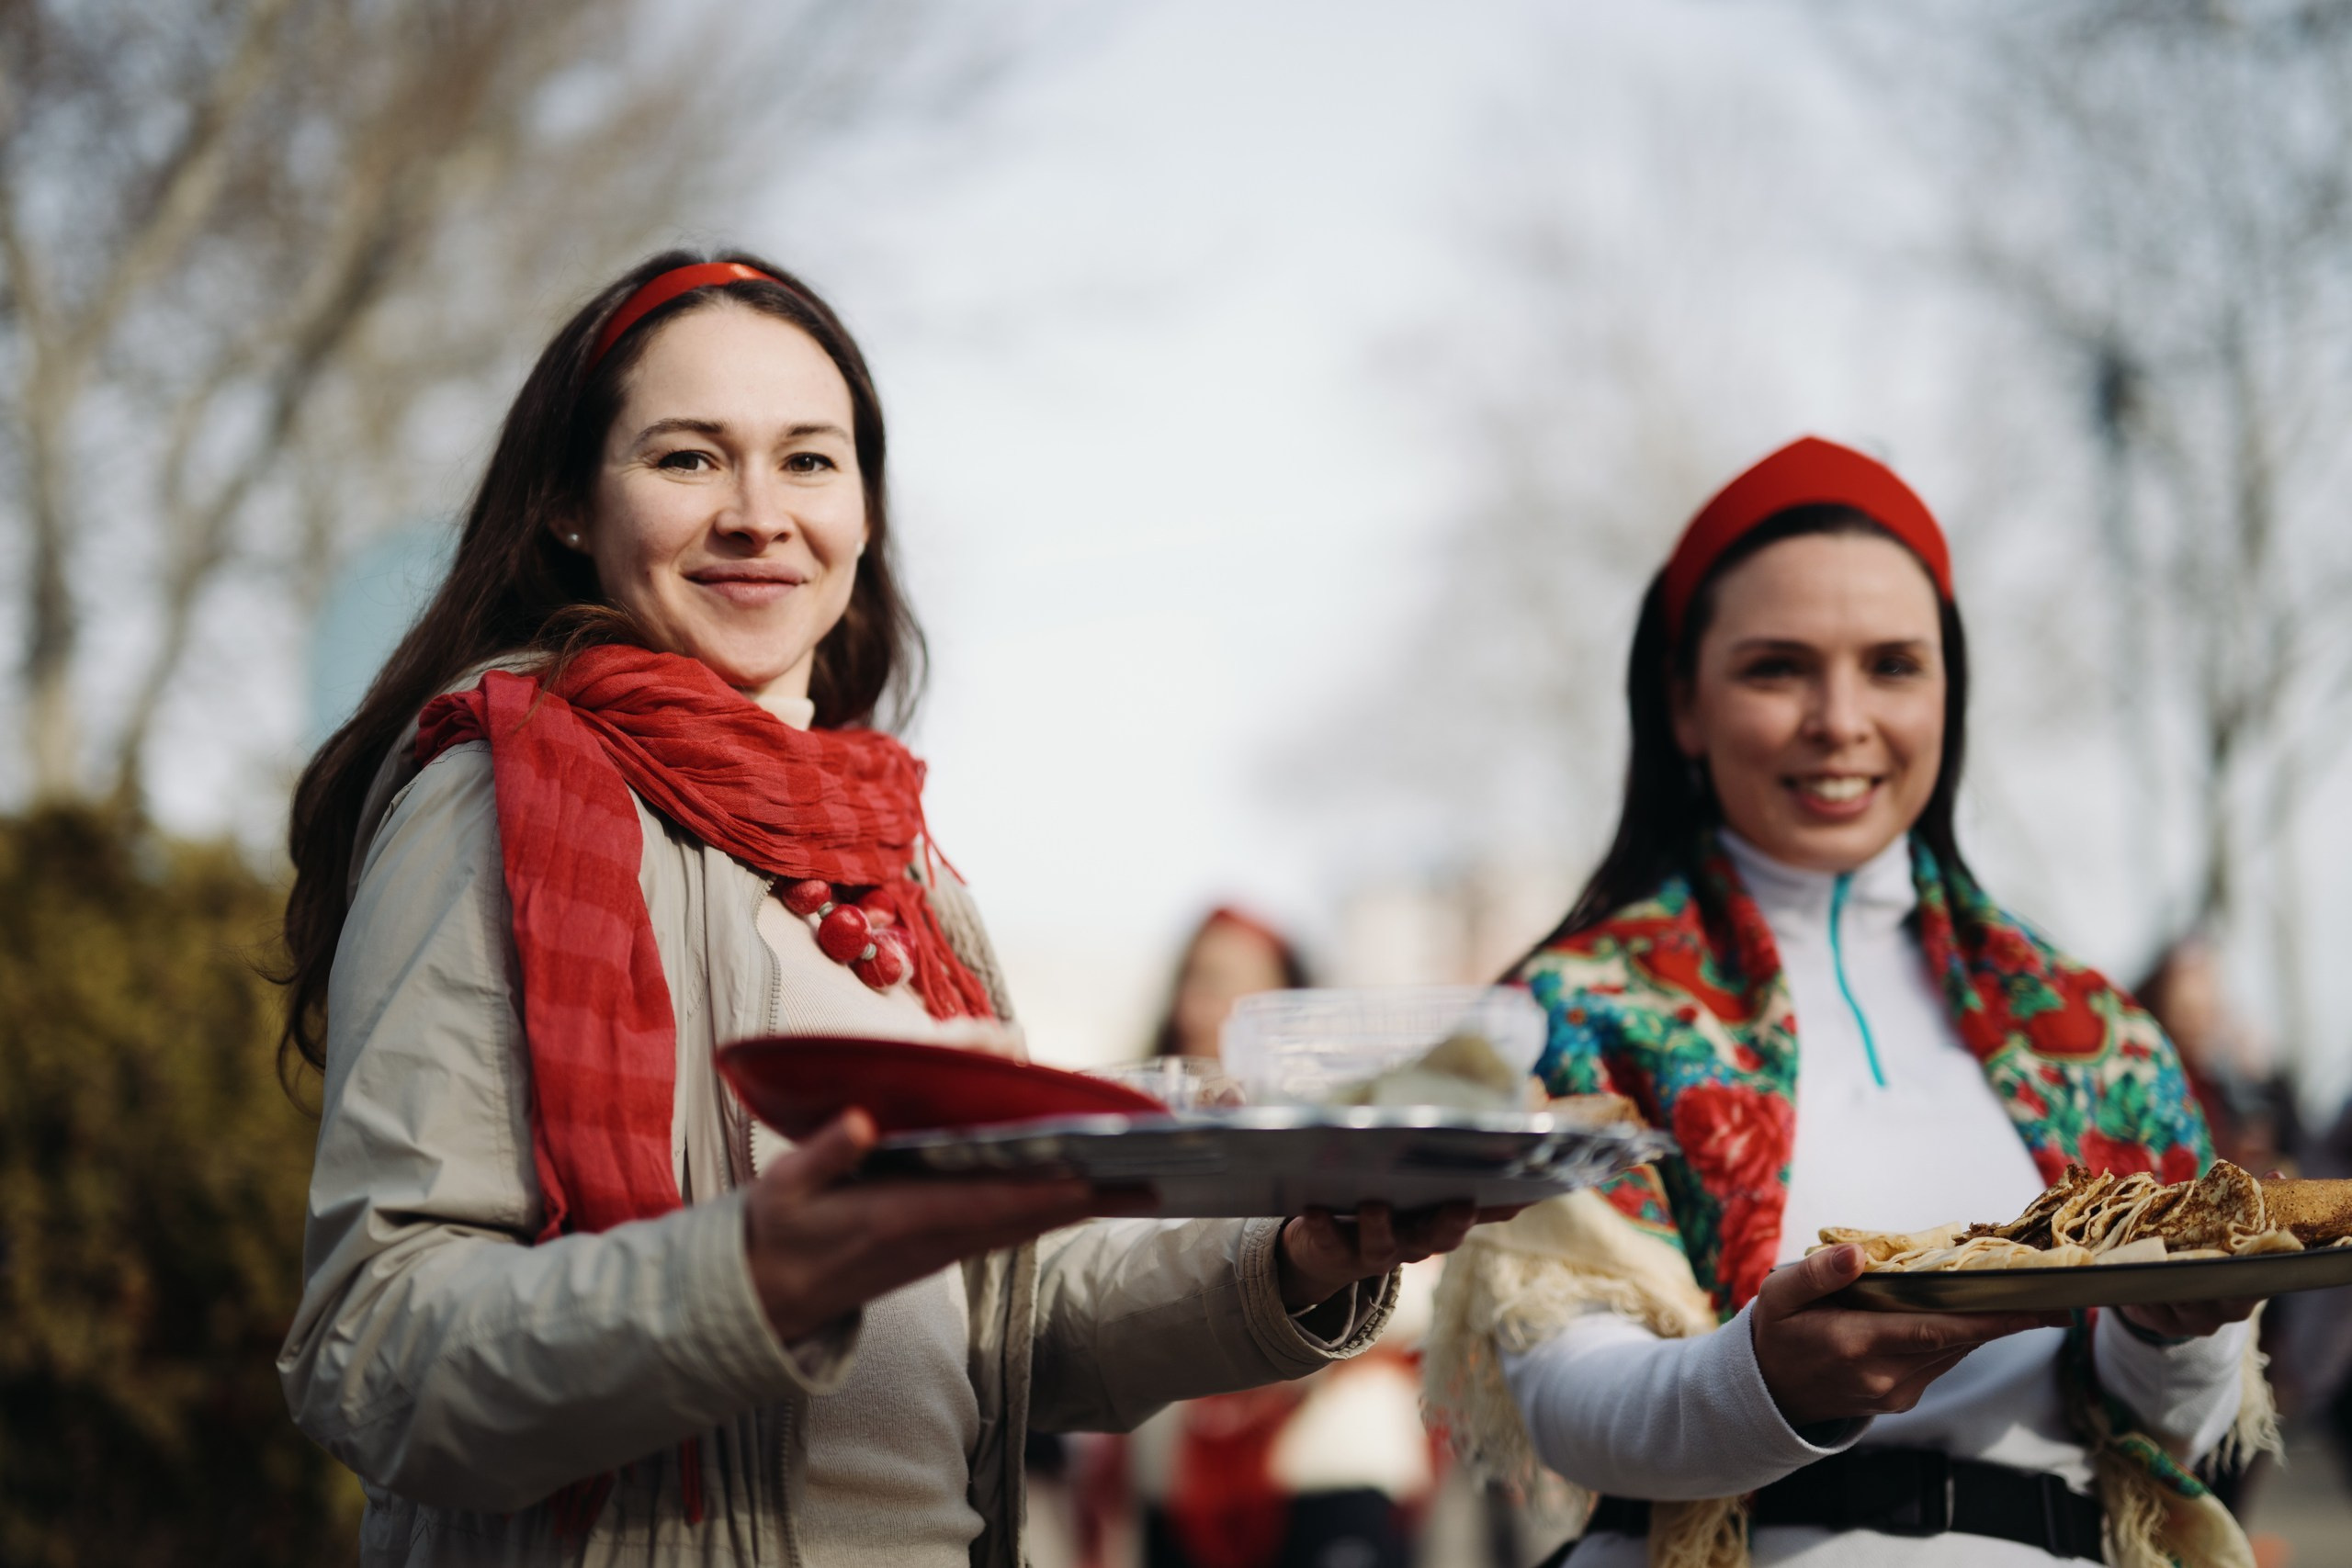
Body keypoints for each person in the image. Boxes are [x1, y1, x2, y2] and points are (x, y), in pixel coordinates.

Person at [272, 252, 1478, 1567]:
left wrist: (1296, 1256)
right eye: (687, 459)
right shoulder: (490, 797)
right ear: (567, 500)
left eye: (808, 460)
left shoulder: (898, 865)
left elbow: (994, 1332)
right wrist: (755, 1276)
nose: (756, 513)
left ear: (863, 506)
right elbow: (372, 1346)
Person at [1427, 437, 2272, 1568]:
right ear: (1683, 703)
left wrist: (2173, 1339)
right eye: (1777, 668)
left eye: (1890, 665)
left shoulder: (2091, 1030)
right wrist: (1762, 1382)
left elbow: (2164, 1437)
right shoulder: (1572, 1017)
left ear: (1947, 692)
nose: (1840, 717)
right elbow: (1571, 1406)